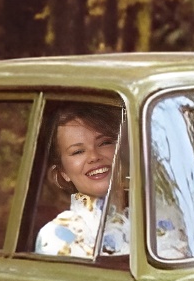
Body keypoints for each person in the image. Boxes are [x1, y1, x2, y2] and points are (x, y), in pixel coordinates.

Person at [36, 104, 129, 258]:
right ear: (63, 172)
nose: (94, 156)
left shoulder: (164, 211)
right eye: (78, 151)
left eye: (105, 143)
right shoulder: (57, 236)